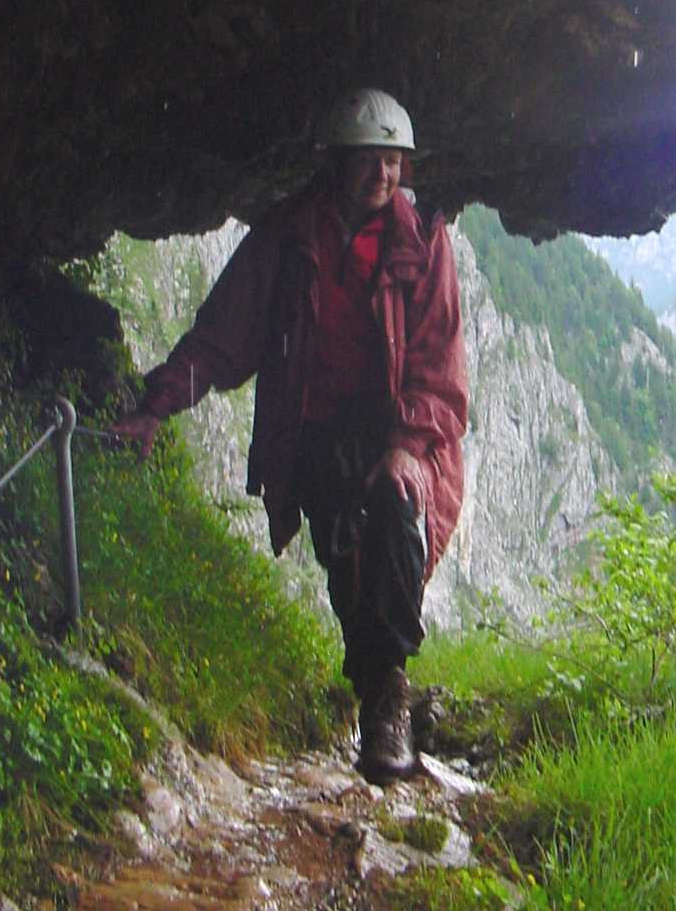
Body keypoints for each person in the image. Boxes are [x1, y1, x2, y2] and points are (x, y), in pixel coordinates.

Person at [112, 88, 468, 782]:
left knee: (394, 515)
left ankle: (387, 700)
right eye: (368, 159)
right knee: (344, 551)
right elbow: (224, 337)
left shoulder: (423, 241)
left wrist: (405, 446)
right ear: (336, 163)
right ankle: (377, 693)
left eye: (393, 161)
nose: (383, 175)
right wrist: (156, 405)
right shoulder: (289, 237)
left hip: (399, 430)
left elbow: (440, 365)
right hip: (317, 428)